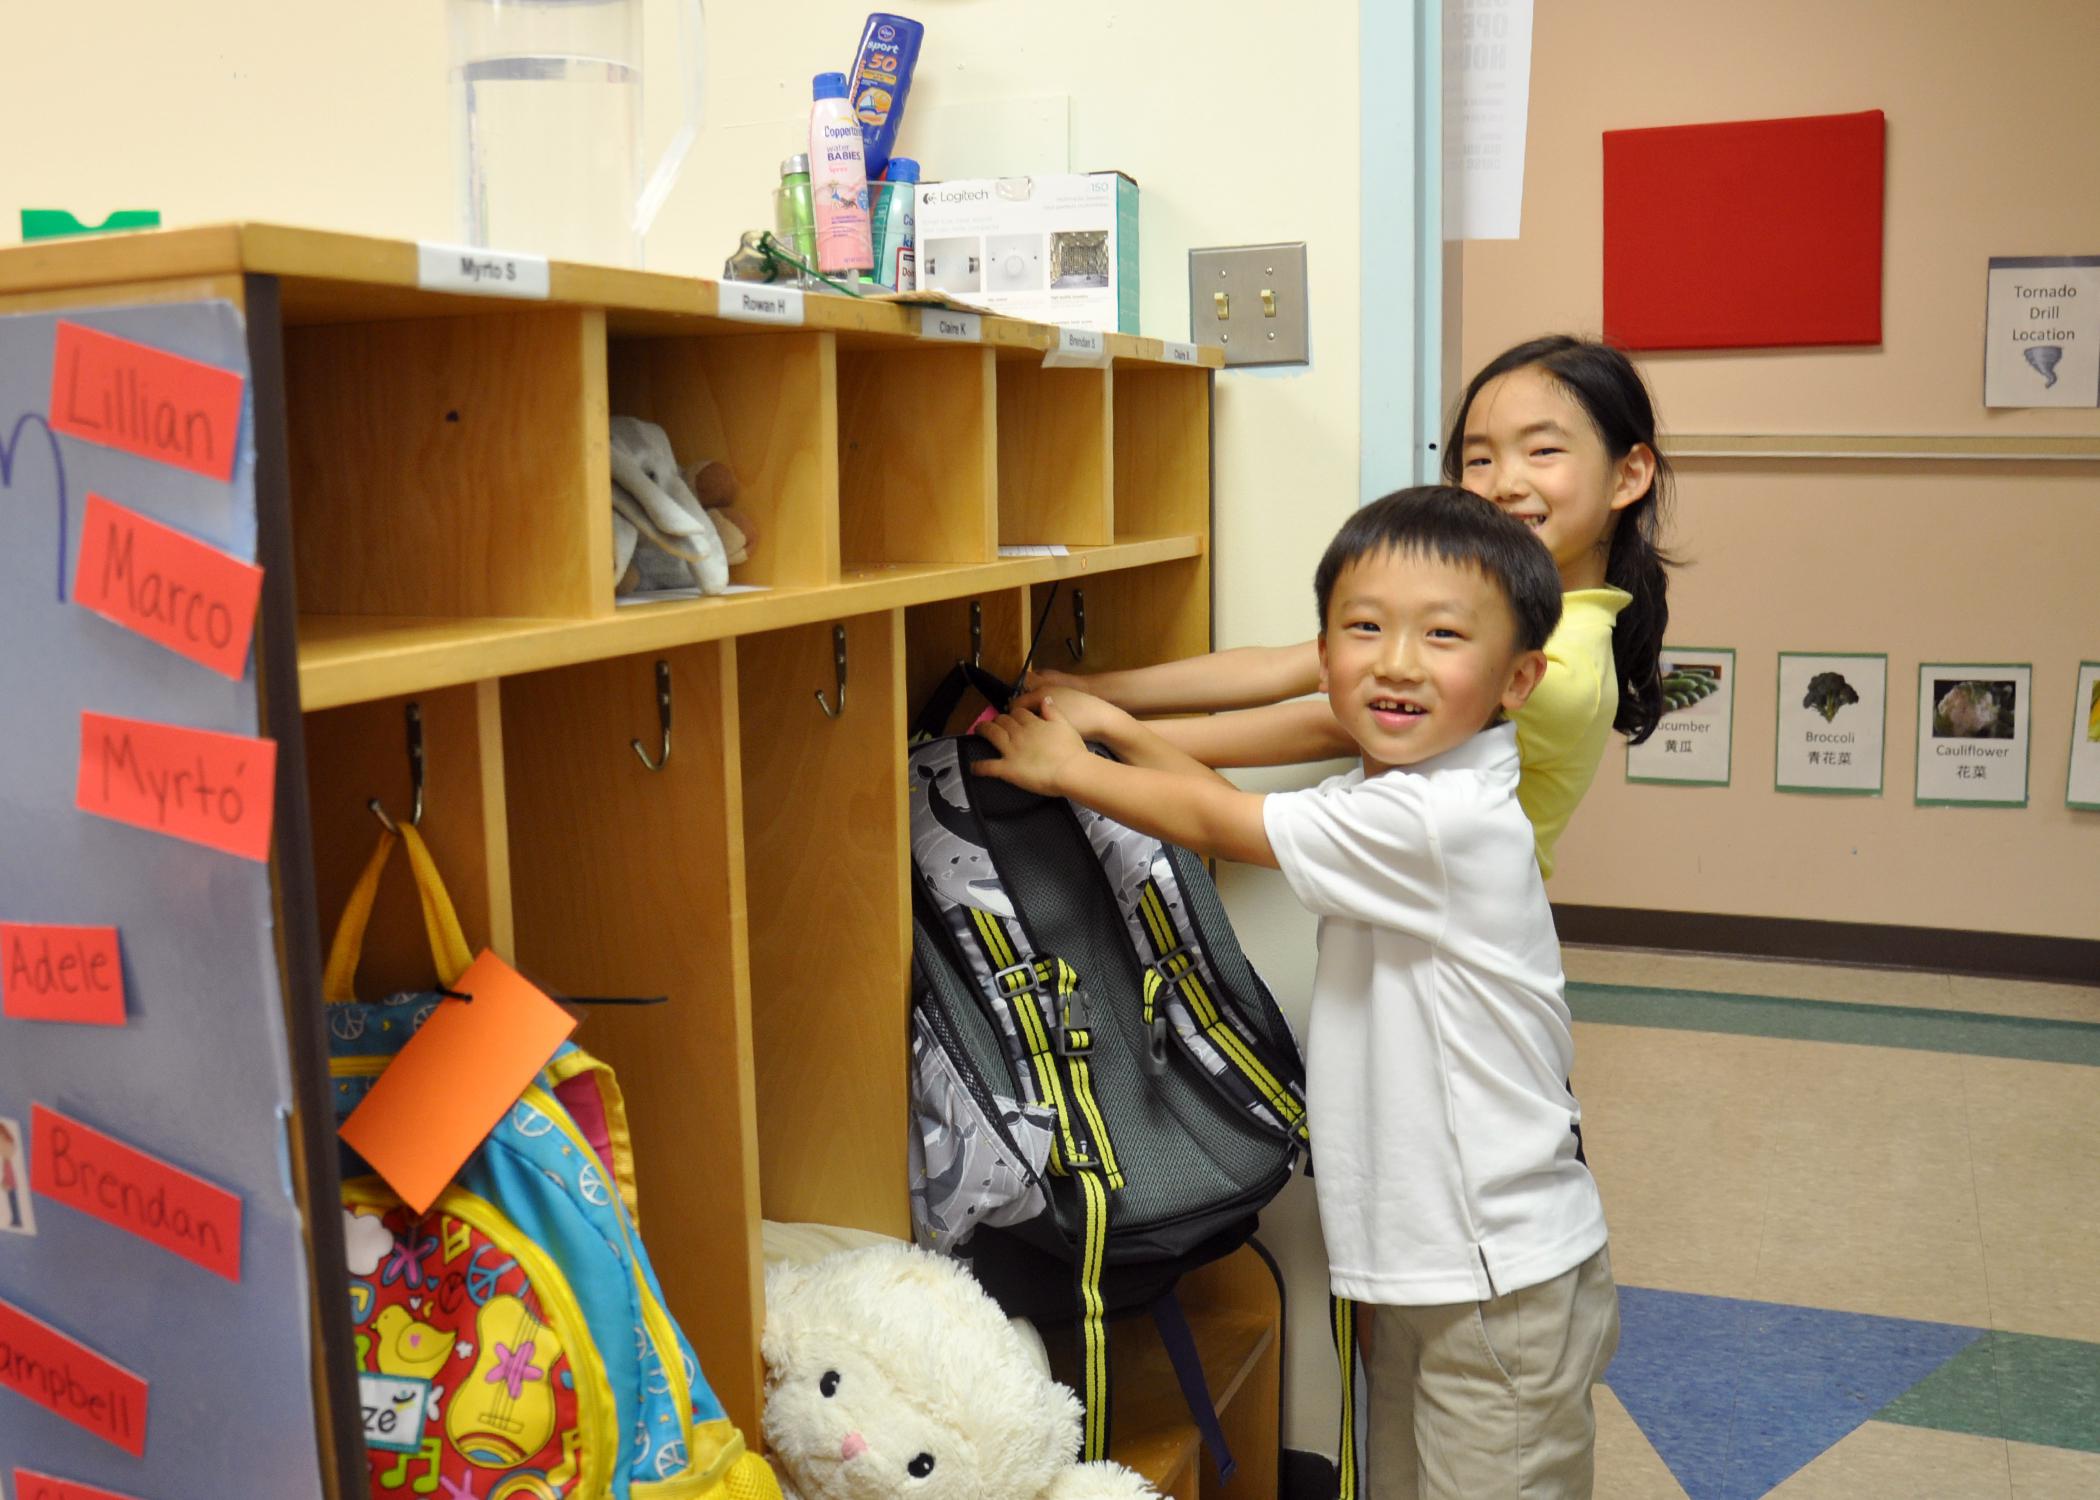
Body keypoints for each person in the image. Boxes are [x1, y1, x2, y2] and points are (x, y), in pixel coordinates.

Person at [977, 487, 1618, 1498]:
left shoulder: (1443, 822)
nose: (1398, 661)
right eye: (1365, 629)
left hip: (1496, 1279)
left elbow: (1226, 822)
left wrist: (1072, 766)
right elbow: (1227, 797)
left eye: (1443, 636)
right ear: (1324, 656)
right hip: (1439, 1265)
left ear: (1518, 679)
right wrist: (1113, 729)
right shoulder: (1391, 799)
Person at [1036, 333, 1675, 881]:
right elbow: (1283, 667)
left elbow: (1324, 725)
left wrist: (1106, 730)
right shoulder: (1498, 608)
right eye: (1479, 458)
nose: (1504, 483)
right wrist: (1087, 690)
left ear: (1628, 475)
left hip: (1440, 904)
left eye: (1542, 451)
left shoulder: (1558, 672)